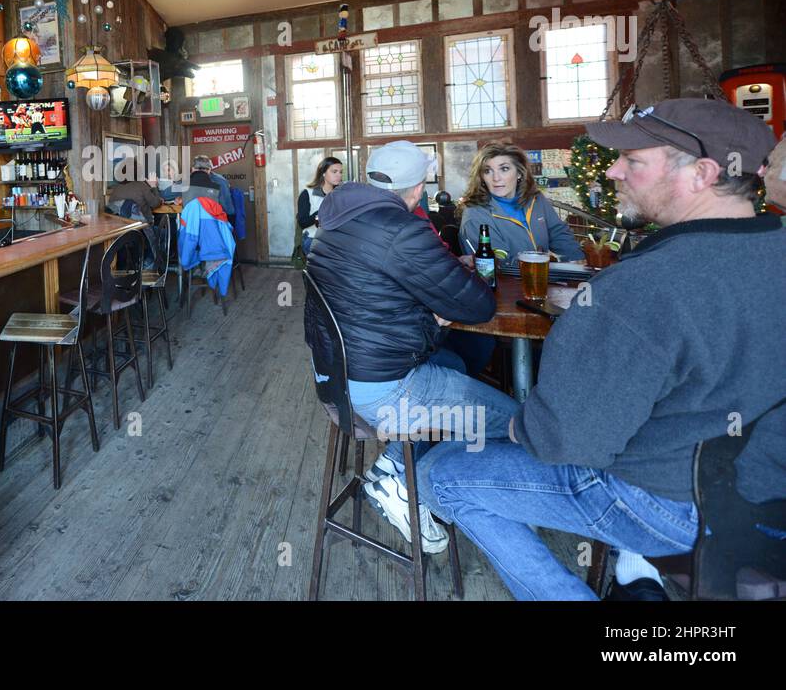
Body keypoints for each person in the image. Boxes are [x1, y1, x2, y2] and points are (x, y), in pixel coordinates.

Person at [418, 98, 785, 600]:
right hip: (768, 503)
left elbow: (561, 441)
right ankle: (637, 568)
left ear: (701, 173)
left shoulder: (640, 287)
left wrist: (516, 423)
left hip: (674, 507)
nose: (612, 170)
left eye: (633, 161)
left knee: (440, 474)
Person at [304, 140, 518, 554]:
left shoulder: (336, 219)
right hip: (383, 390)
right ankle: (407, 486)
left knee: (457, 361)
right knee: (514, 423)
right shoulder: (402, 228)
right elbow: (478, 305)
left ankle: (394, 466)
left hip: (336, 377)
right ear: (418, 189)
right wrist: (444, 294)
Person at [459, 144, 585, 262]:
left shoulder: (536, 199)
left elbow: (559, 234)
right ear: (481, 177)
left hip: (543, 277)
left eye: (504, 169)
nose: (496, 178)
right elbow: (499, 265)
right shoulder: (475, 215)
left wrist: (580, 266)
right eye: (487, 171)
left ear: (519, 172)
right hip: (510, 283)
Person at [296, 157, 342, 257]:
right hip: (313, 238)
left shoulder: (340, 194)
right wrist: (321, 212)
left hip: (335, 238)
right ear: (323, 173)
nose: (339, 175)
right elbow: (302, 222)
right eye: (334, 171)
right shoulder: (307, 193)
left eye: (340, 172)